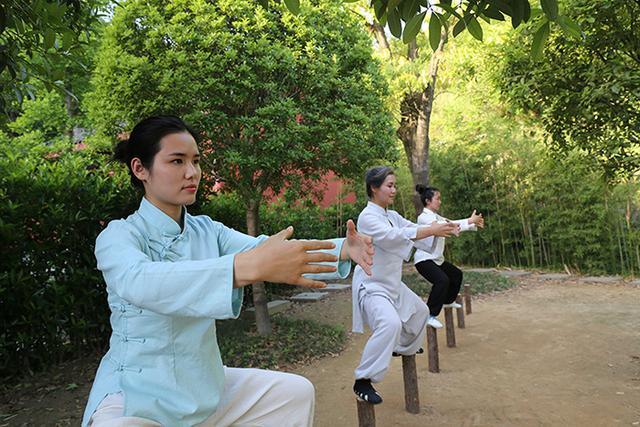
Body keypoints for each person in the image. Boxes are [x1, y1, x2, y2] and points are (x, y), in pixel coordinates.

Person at [82, 115, 375, 427]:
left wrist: (345, 248)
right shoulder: (119, 236)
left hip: (202, 386)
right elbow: (140, 282)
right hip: (136, 396)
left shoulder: (208, 230)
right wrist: (241, 268)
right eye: (177, 161)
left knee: (293, 394)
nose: (192, 172)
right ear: (140, 169)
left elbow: (267, 250)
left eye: (195, 161)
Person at [350, 166, 459, 404]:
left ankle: (400, 347)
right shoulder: (367, 217)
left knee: (421, 313)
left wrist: (448, 227)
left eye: (394, 185)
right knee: (389, 323)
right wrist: (432, 229)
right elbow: (394, 237)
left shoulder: (392, 215)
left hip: (392, 285)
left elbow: (408, 228)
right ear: (374, 188)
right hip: (372, 285)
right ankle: (363, 380)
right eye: (389, 185)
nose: (394, 190)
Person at [413, 184, 484, 329]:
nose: (440, 201)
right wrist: (469, 221)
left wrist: (471, 224)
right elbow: (444, 225)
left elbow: (452, 224)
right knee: (442, 280)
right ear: (428, 201)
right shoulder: (424, 217)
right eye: (437, 199)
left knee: (456, 275)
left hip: (437, 259)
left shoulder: (436, 216)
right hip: (424, 260)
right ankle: (429, 315)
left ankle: (447, 300)